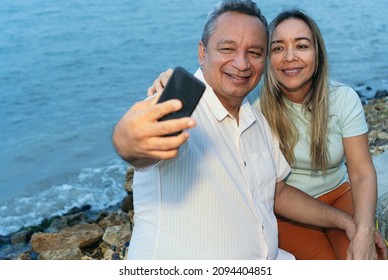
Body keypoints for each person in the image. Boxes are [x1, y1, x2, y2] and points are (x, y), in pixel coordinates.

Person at [112, 0, 357, 260]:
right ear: (202, 52)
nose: (241, 63)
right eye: (227, 48)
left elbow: (279, 192)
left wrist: (345, 221)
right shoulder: (180, 106)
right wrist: (128, 140)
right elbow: (139, 144)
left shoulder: (257, 121)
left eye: (254, 52)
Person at [257, 9, 388, 260]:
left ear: (317, 53)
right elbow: (278, 193)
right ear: (267, 58)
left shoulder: (343, 98)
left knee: (366, 260)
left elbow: (361, 171)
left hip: (340, 195)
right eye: (278, 48)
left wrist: (364, 229)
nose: (290, 57)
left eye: (302, 45)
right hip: (288, 211)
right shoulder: (258, 112)